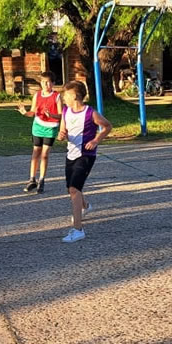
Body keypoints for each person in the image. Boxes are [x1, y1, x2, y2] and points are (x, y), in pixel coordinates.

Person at [57, 80, 112, 243]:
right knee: (71, 189)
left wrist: (96, 140)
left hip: (86, 155)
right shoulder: (66, 111)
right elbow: (63, 129)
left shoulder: (90, 113)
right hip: (71, 154)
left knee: (74, 189)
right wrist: (62, 135)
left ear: (74, 95)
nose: (63, 98)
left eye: (65, 95)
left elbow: (107, 126)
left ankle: (78, 229)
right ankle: (85, 207)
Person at [17, 71, 62, 193]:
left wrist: (51, 115)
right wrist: (25, 113)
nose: (45, 84)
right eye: (43, 82)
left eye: (48, 82)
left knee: (45, 154)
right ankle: (32, 179)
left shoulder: (57, 96)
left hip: (51, 128)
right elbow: (33, 112)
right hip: (38, 126)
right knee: (36, 152)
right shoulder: (37, 95)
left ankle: (42, 179)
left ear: (53, 83)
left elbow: (60, 115)